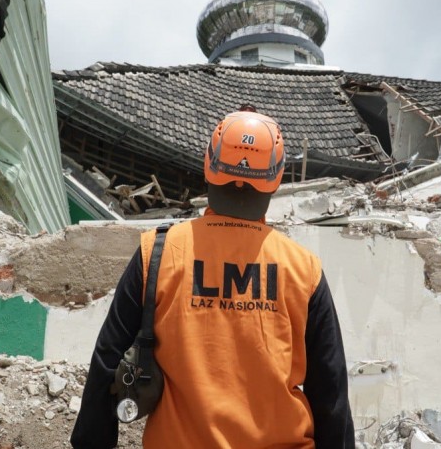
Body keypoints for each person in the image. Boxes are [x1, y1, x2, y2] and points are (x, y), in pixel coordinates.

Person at [71, 108, 355, 449]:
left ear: (209, 165)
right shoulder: (303, 269)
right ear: (276, 177)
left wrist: (92, 441)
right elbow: (330, 388)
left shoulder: (159, 252)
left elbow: (108, 356)